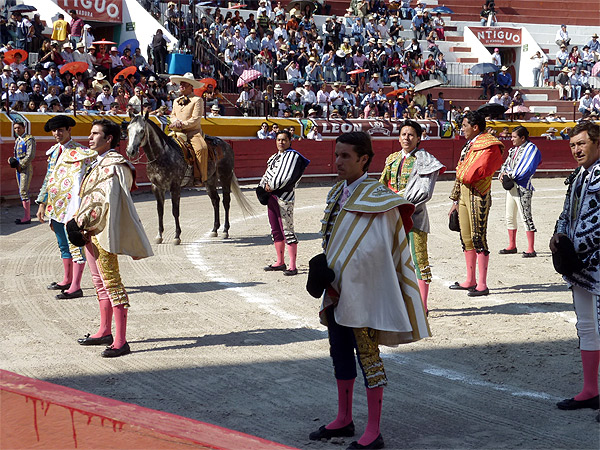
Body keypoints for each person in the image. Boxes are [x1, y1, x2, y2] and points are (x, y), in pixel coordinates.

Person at [307, 131, 430, 449]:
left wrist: (339, 275)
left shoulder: (379, 198)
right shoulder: (337, 193)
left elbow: (377, 253)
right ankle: (344, 419)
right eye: (337, 155)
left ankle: (373, 431)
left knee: (369, 359)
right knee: (339, 354)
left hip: (365, 292)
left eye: (345, 156)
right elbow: (333, 242)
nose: (338, 162)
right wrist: (324, 271)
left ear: (364, 159)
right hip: (336, 291)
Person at [67, 119, 153, 357]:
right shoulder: (100, 163)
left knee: (111, 282)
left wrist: (82, 222)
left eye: (96, 134)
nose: (90, 137)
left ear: (109, 139)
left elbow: (106, 201)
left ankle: (122, 341)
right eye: (90, 133)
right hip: (90, 230)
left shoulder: (115, 165)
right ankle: (105, 330)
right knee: (98, 282)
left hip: (103, 230)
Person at [550, 121, 599, 421]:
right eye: (572, 146)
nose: (576, 150)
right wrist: (558, 237)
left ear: (597, 143)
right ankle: (591, 390)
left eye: (581, 144)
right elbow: (567, 212)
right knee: (586, 326)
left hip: (596, 261)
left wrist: (582, 250)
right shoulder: (579, 175)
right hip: (580, 266)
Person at [379, 120, 445, 313]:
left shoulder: (425, 160)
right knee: (392, 260)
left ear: (418, 138)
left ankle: (422, 305)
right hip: (392, 216)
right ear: (399, 137)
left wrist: (397, 199)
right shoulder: (392, 158)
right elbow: (382, 184)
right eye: (403, 134)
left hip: (415, 216)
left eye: (410, 135)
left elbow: (424, 192)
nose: (406, 138)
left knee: (419, 259)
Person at [36, 115, 97, 299]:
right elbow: (49, 179)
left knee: (75, 244)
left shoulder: (82, 152)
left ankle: (76, 286)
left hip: (73, 207)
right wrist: (42, 202)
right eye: (55, 131)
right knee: (63, 244)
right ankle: (67, 279)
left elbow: (90, 179)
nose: (57, 133)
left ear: (69, 130)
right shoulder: (54, 151)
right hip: (55, 206)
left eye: (60, 130)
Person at [448, 111, 504, 297]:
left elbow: (470, 174)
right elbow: (461, 172)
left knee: (478, 237)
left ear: (475, 127)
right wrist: (455, 200)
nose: (462, 129)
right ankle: (470, 279)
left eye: (464, 126)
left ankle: (482, 284)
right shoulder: (470, 145)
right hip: (464, 194)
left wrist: (461, 173)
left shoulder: (489, 145)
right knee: (466, 237)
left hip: (478, 194)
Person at [258, 130, 309, 276]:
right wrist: (262, 187)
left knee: (287, 230)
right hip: (271, 197)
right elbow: (267, 174)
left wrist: (270, 187)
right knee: (275, 229)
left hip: (284, 197)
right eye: (279, 140)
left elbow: (287, 178)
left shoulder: (294, 156)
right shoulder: (274, 157)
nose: (281, 142)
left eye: (284, 140)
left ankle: (293, 266)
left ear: (290, 141)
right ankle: (280, 262)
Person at [498, 126, 541, 258]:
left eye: (514, 137)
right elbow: (506, 164)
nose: (511, 139)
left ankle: (530, 248)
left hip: (523, 187)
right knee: (509, 216)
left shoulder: (531, 149)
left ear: (523, 138)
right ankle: (512, 245)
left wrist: (508, 174)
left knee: (525, 217)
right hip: (512, 187)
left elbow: (526, 169)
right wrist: (502, 173)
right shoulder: (513, 150)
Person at [169, 72, 208, 186]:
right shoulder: (176, 101)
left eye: (184, 84)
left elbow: (195, 119)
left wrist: (181, 124)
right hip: (176, 132)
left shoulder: (197, 100)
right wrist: (175, 122)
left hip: (193, 132)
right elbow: (172, 115)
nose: (181, 86)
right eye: (181, 84)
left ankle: (200, 177)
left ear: (191, 86)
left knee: (201, 149)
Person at [9, 120, 35, 224]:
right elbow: (16, 155)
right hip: (18, 168)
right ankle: (26, 216)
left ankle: (27, 217)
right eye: (15, 128)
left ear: (24, 128)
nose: (17, 130)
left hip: (25, 168)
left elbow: (30, 155)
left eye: (18, 128)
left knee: (23, 191)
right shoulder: (18, 140)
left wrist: (21, 165)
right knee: (22, 191)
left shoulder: (29, 139)